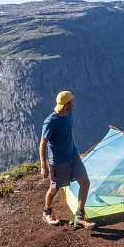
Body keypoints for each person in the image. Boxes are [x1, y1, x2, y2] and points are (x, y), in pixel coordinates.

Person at [40, 91, 96, 229]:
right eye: (72, 101)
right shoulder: (50, 121)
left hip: (73, 156)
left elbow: (68, 133)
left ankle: (80, 216)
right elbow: (43, 143)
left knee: (85, 182)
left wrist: (73, 148)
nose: (74, 103)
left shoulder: (69, 114)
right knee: (55, 188)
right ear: (66, 105)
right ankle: (47, 211)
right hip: (58, 161)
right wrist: (43, 166)